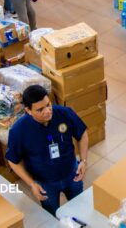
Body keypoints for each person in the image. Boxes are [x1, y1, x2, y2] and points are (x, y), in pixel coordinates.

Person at [6, 85, 88, 216]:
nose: (47, 111)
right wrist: (32, 184)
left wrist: (83, 160)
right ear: (28, 110)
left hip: (72, 173)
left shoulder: (64, 113)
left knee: (81, 208)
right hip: (45, 183)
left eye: (48, 104)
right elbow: (13, 161)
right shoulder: (19, 131)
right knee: (51, 216)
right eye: (40, 110)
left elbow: (82, 133)